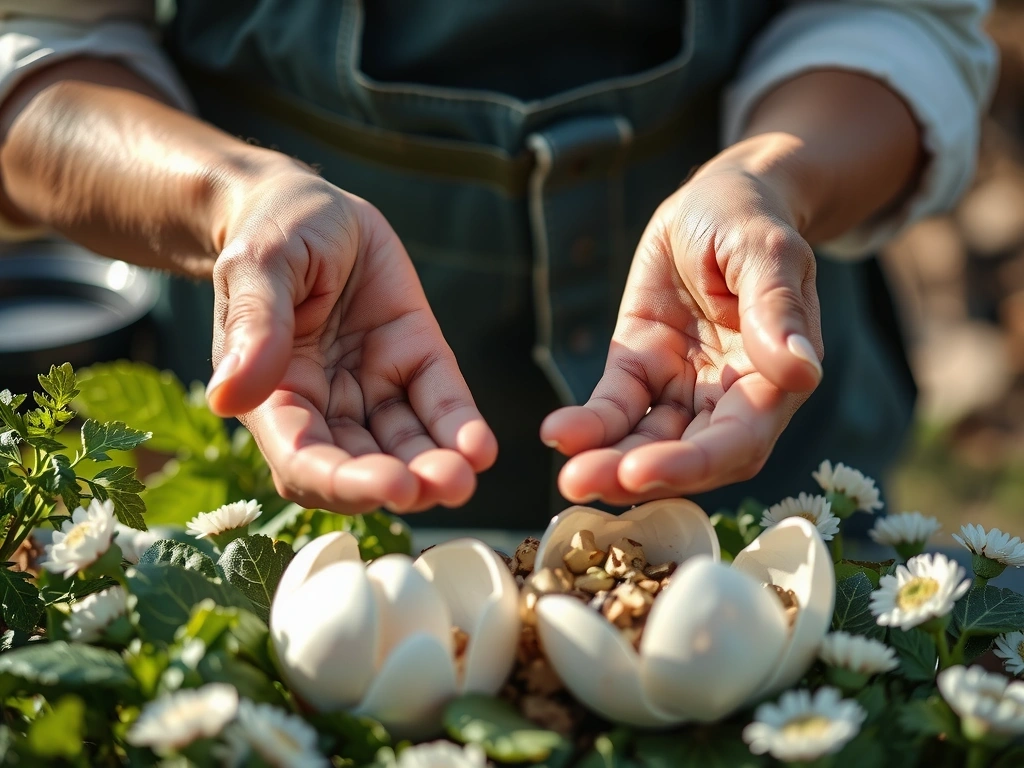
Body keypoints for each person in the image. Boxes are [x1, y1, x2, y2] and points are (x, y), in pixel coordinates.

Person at [0, 1, 997, 531]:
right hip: (288, 387)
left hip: (748, 403)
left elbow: (897, 16)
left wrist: (769, 185)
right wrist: (235, 204)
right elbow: (41, 47)